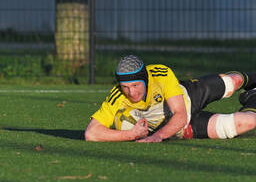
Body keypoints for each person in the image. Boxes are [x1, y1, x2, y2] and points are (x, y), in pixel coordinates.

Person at [85, 54, 256, 142]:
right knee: (248, 122)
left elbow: (180, 114)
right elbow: (91, 133)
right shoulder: (116, 97)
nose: (131, 92)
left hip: (190, 96)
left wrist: (157, 136)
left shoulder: (160, 74)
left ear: (145, 79)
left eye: (136, 85)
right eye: (125, 87)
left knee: (234, 81)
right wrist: (131, 134)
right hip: (185, 128)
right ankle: (253, 95)